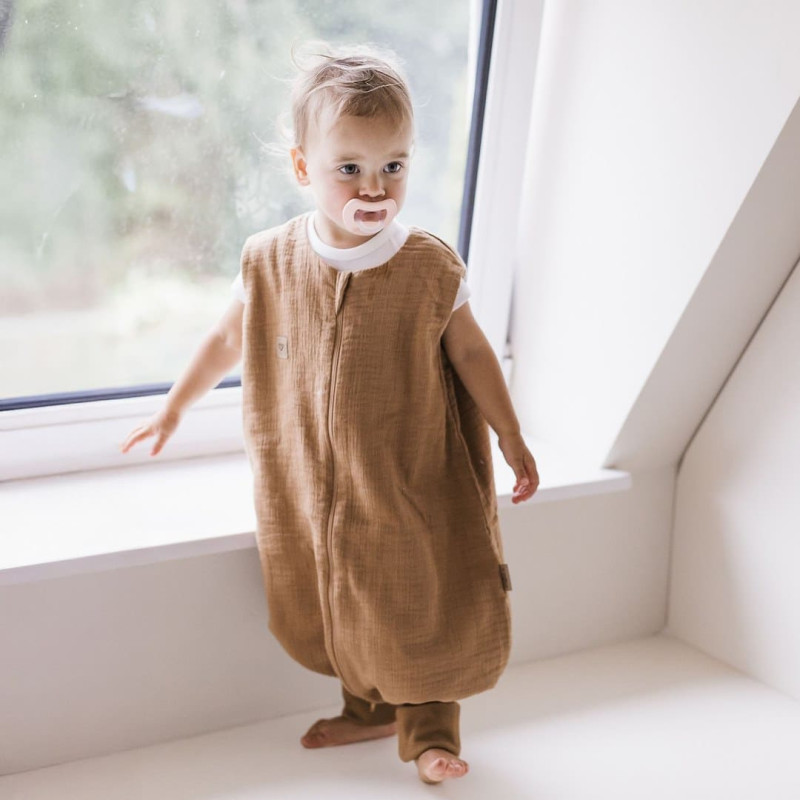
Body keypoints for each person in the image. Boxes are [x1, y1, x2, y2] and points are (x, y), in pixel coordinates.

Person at [120, 41, 539, 785]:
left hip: (408, 477)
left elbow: (473, 353)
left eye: (394, 166)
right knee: (337, 595)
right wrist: (174, 408)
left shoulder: (428, 266)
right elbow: (227, 338)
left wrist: (509, 434)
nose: (374, 187)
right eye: (350, 168)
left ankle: (430, 734)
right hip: (311, 482)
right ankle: (367, 708)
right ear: (303, 167)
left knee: (420, 598)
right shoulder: (270, 259)